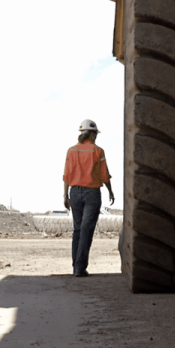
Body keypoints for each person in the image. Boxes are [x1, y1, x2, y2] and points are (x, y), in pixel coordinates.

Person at [63, 119, 114, 277]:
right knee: (86, 230)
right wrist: (111, 191)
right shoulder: (98, 151)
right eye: (95, 134)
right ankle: (79, 268)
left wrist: (65, 195)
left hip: (74, 193)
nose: (96, 137)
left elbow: (67, 175)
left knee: (78, 230)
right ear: (91, 134)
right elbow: (104, 175)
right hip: (92, 194)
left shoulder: (71, 151)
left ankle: (76, 267)